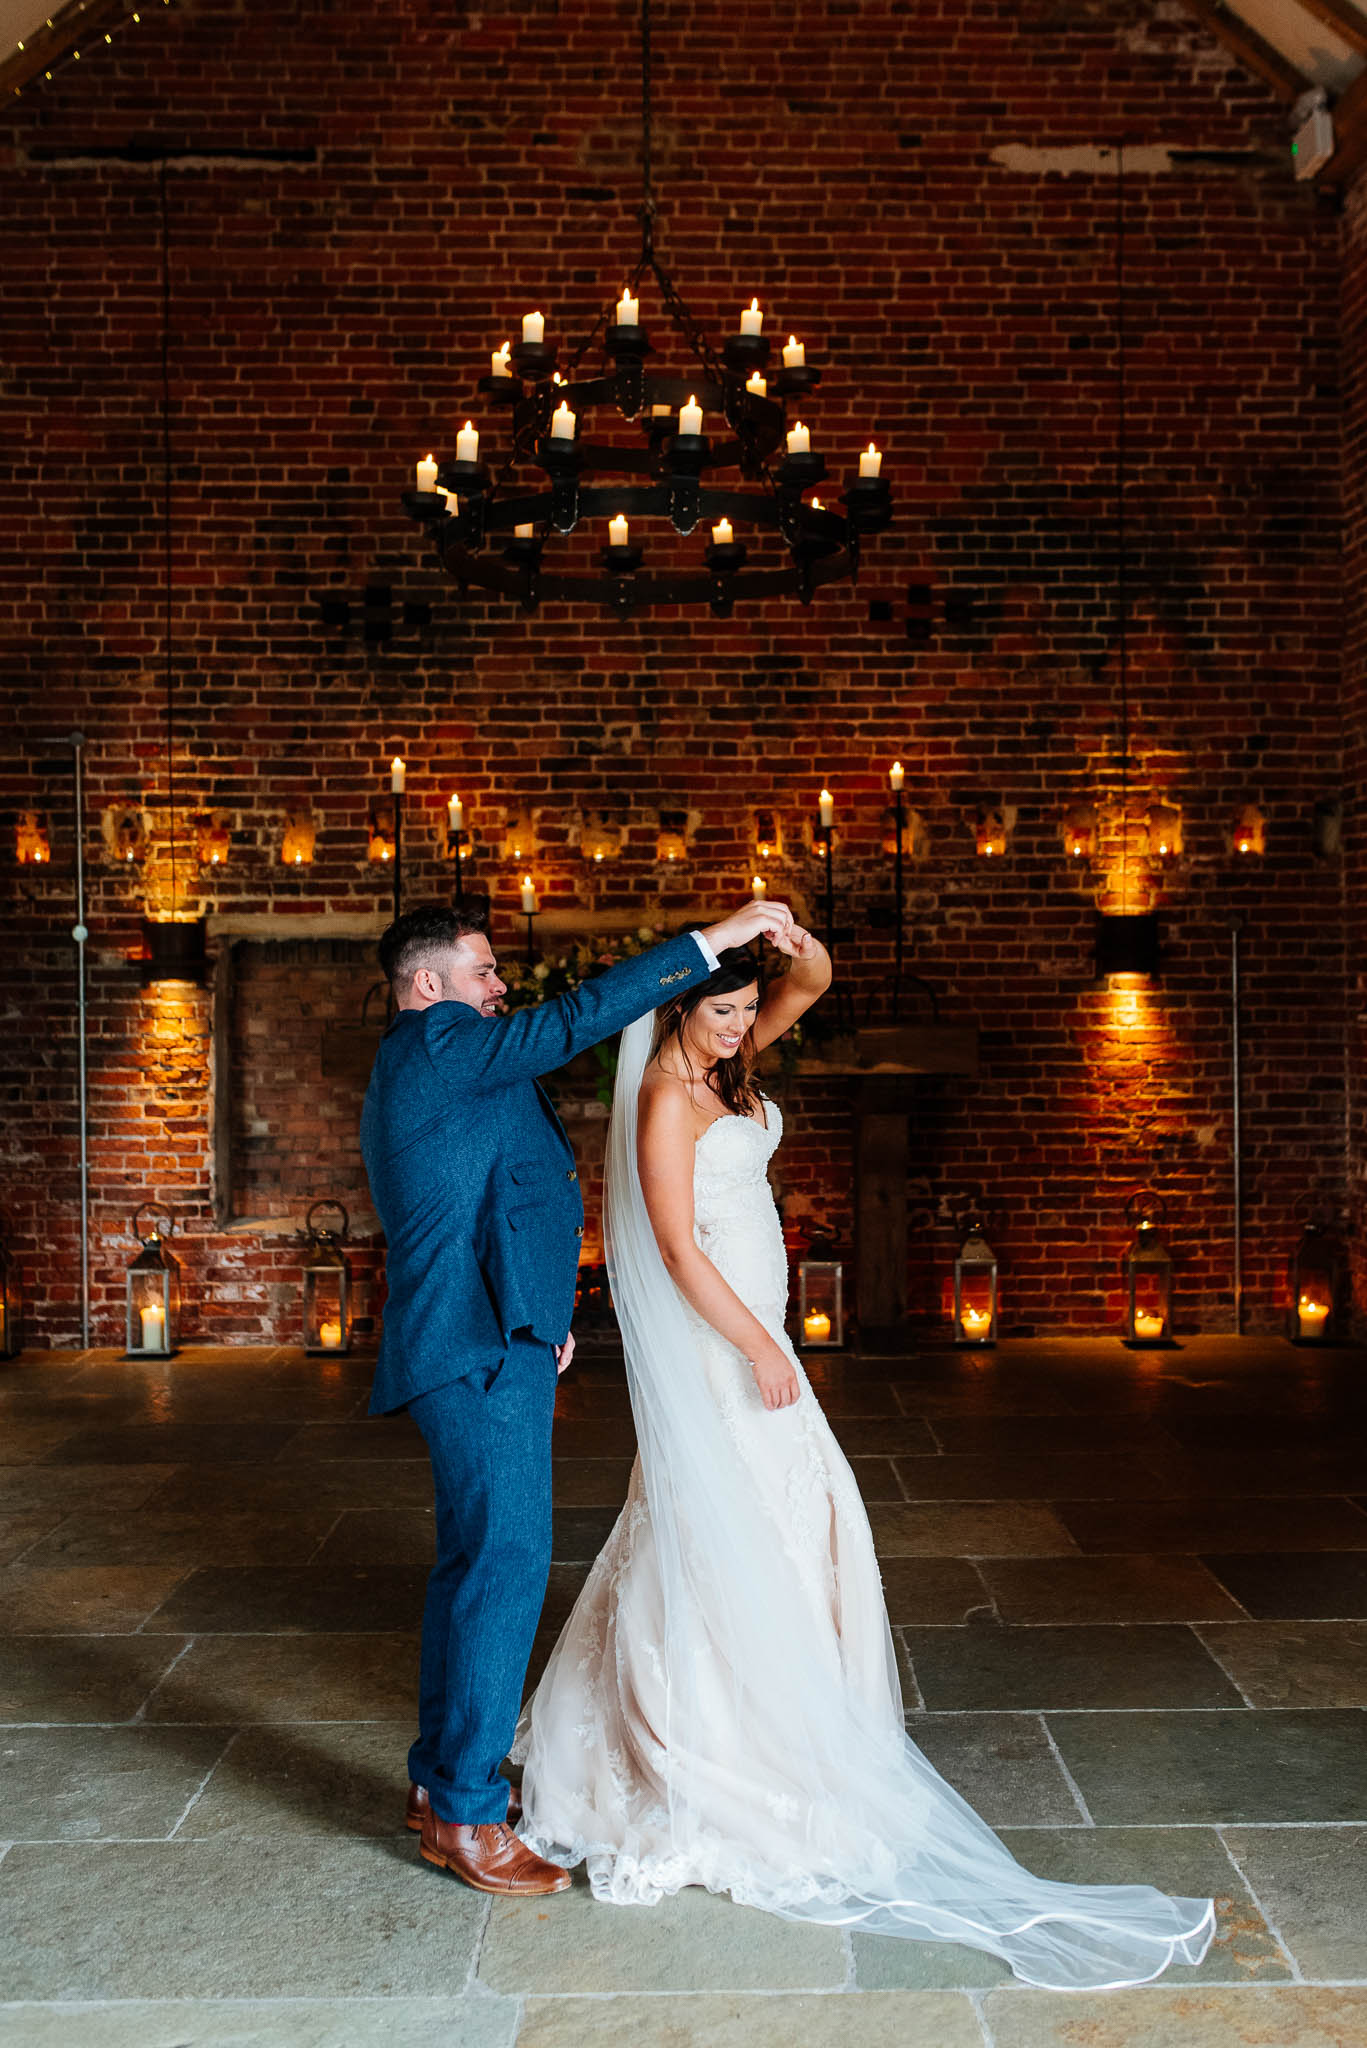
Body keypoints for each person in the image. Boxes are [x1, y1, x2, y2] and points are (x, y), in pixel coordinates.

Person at [515, 930, 1217, 1989]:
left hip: (758, 1334)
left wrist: (785, 932)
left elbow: (808, 982)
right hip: (723, 1347)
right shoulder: (665, 1097)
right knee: (724, 1523)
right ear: (671, 1011)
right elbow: (671, 1247)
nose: (741, 1025)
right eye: (719, 1010)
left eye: (745, 1009)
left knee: (794, 1514)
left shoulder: (725, 1056)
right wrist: (757, 1343)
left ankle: (786, 1719)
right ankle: (706, 1748)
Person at [360, 893, 796, 1899]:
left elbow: (488, 1182)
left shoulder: (444, 1060)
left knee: (472, 1563)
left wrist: (537, 1307)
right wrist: (710, 945)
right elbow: (568, 1023)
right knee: (504, 1565)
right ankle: (469, 1812)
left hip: (490, 1333)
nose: (498, 986)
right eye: (480, 971)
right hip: (471, 1352)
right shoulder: (436, 1040)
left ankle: (441, 1791)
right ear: (429, 986)